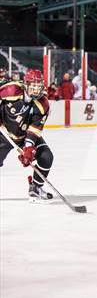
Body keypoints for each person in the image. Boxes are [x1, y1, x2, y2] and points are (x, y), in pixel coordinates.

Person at [0, 69, 54, 203]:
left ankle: (35, 188)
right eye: (33, 86)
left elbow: (34, 129)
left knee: (46, 156)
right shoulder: (11, 90)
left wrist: (28, 149)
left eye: (38, 86)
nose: (36, 90)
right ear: (26, 84)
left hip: (24, 137)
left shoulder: (43, 104)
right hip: (4, 133)